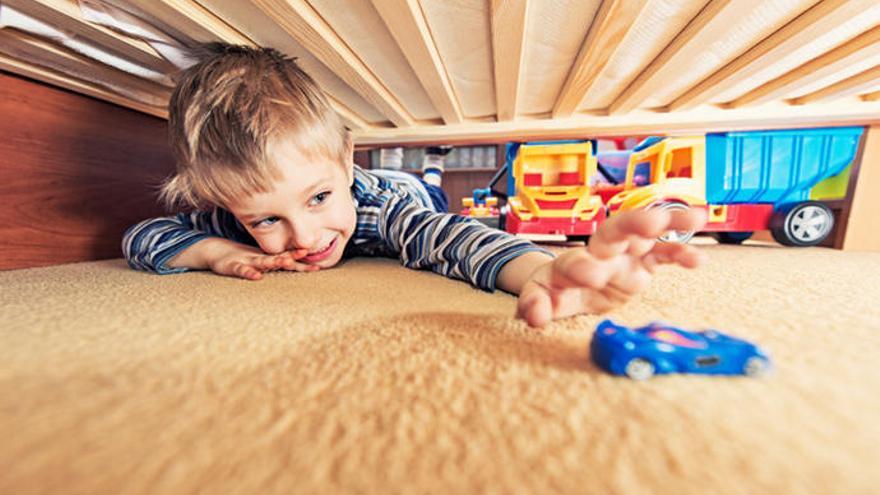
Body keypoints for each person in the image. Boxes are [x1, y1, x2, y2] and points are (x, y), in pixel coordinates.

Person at [122, 43, 706, 328]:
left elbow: (452, 238)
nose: (304, 235)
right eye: (265, 220)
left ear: (346, 160)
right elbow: (143, 238)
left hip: (408, 196)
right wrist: (217, 251)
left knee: (426, 204)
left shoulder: (377, 211)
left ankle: (420, 170)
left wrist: (538, 271)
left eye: (319, 197)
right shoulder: (231, 221)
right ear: (229, 207)